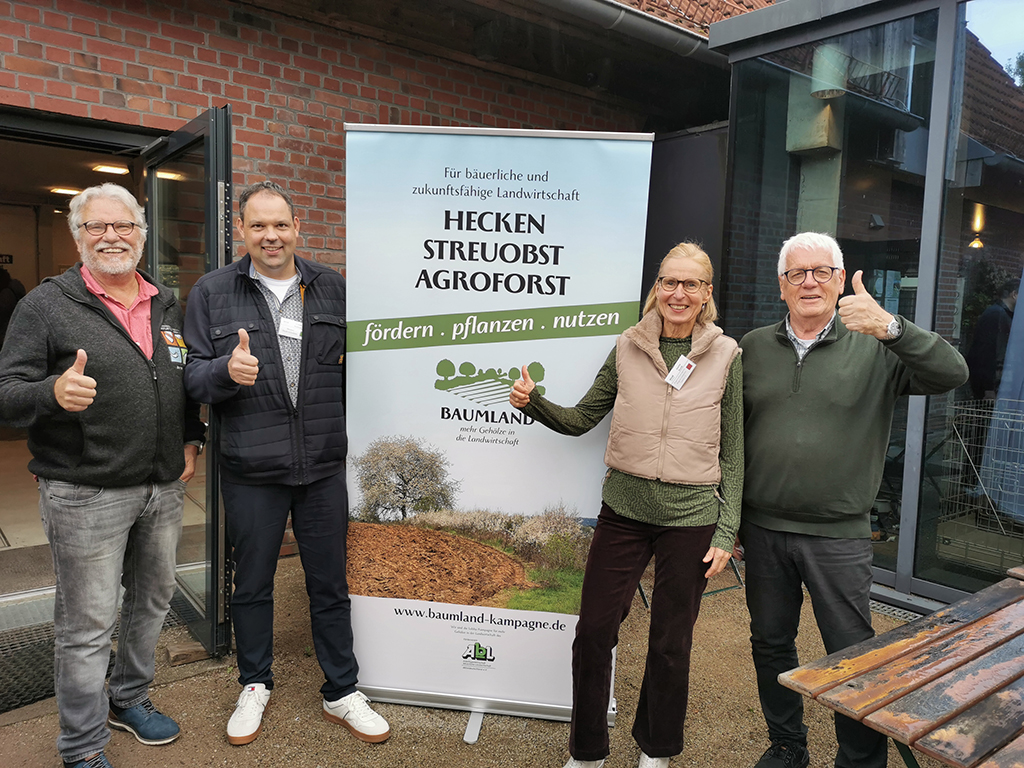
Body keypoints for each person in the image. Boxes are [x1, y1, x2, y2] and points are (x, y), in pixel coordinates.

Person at [739, 232, 969, 768]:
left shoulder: (877, 346)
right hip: (764, 529)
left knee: (853, 656)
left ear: (842, 280)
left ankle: (860, 760)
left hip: (839, 534)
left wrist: (892, 328)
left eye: (823, 271)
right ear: (782, 286)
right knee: (770, 643)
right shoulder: (751, 347)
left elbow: (952, 373)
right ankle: (787, 745)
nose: (810, 281)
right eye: (798, 273)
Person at [510, 242, 743, 768]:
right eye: (669, 282)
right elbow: (583, 418)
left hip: (691, 519)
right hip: (624, 512)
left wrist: (726, 532)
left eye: (691, 285)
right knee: (593, 631)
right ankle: (587, 752)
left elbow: (735, 451)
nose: (678, 294)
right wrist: (535, 403)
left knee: (669, 641)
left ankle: (656, 750)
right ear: (656, 290)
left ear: (707, 294)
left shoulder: (727, 355)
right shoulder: (627, 347)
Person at [0, 183, 204, 768]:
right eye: (96, 227)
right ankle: (82, 747)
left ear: (141, 233)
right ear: (77, 236)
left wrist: (192, 437)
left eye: (123, 226)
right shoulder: (44, 305)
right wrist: (52, 391)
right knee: (87, 624)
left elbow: (181, 381)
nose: (111, 236)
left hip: (163, 487)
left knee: (152, 601)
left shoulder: (166, 301)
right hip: (84, 491)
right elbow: (7, 394)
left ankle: (130, 698)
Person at [182, 181, 389, 747]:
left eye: (280, 225)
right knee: (251, 584)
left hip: (321, 466)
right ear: (241, 231)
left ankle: (342, 691)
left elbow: (358, 374)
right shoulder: (211, 292)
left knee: (329, 583)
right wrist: (225, 374)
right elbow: (192, 376)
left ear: (298, 228)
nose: (270, 236)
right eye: (258, 226)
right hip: (252, 467)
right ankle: (254, 683)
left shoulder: (331, 288)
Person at [965, 278, 1018, 400]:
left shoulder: (1004, 315)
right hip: (991, 387)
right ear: (1014, 294)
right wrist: (988, 388)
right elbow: (987, 352)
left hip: (998, 384)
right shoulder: (997, 315)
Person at [0, 265, 26, 347]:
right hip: (16, 334)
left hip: (4, 337)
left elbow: (3, 315)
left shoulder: (5, 294)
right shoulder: (15, 289)